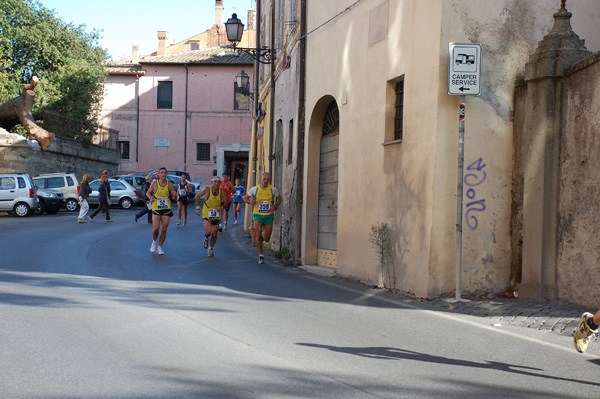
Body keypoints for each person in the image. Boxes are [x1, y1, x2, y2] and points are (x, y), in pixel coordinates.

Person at [243, 172, 282, 264]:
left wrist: (275, 206)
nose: (266, 181)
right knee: (258, 233)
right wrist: (250, 202)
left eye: (268, 179)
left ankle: (260, 238)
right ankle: (261, 255)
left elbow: (279, 199)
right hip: (258, 215)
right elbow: (245, 198)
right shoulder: (254, 189)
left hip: (268, 216)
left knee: (267, 238)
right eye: (264, 179)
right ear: (261, 178)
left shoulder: (273, 189)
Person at [146, 167, 177, 255]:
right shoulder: (154, 184)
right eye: (162, 173)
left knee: (164, 229)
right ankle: (154, 241)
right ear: (159, 174)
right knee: (156, 228)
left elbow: (173, 196)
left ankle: (159, 247)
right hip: (156, 207)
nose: (163, 174)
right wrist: (150, 197)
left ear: (166, 174)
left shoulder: (169, 184)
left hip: (166, 208)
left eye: (165, 173)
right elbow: (148, 193)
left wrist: (174, 195)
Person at [196, 176, 227, 257]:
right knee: (208, 231)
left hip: (216, 214)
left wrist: (222, 207)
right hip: (207, 213)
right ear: (212, 182)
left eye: (218, 182)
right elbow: (198, 196)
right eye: (215, 182)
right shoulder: (207, 190)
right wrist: (198, 208)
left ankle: (210, 248)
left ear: (220, 183)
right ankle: (206, 239)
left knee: (214, 234)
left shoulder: (222, 191)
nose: (217, 183)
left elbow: (226, 202)